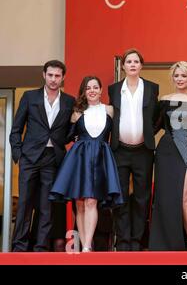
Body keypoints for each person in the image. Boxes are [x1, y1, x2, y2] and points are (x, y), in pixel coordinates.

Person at [50, 76, 123, 252]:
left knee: (92, 201)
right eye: (88, 88)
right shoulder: (77, 112)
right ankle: (84, 245)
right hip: (79, 158)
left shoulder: (110, 110)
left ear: (100, 90)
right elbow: (66, 135)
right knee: (80, 203)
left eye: (95, 87)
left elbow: (116, 134)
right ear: (84, 91)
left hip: (101, 157)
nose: (92, 90)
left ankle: (87, 245)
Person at [9, 60, 75, 252]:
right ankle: (19, 246)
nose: (53, 79)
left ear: (63, 77)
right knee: (25, 203)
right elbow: (16, 130)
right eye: (50, 75)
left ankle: (41, 247)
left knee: (47, 206)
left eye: (57, 76)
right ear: (44, 75)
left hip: (52, 158)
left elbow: (69, 131)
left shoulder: (69, 101)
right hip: (29, 157)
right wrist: (18, 155)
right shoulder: (30, 97)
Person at [149, 61, 187, 251]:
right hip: (166, 151)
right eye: (176, 76)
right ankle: (166, 245)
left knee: (184, 197)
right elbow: (153, 127)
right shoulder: (164, 100)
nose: (180, 79)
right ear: (172, 78)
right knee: (165, 199)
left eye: (184, 76)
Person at [109, 48, 159, 251]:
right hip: (119, 150)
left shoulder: (152, 88)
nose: (132, 65)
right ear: (123, 66)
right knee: (119, 197)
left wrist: (148, 133)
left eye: (136, 61)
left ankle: (137, 241)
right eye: (128, 61)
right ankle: (122, 242)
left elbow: (155, 117)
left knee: (142, 197)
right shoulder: (113, 89)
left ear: (141, 65)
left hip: (143, 151)